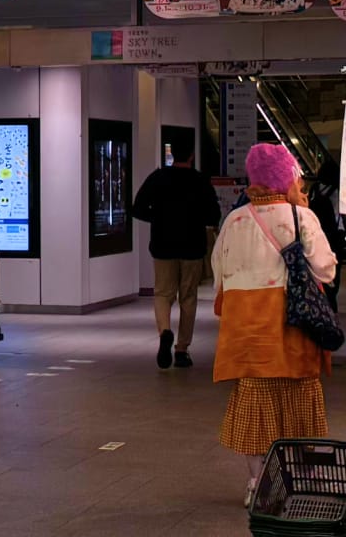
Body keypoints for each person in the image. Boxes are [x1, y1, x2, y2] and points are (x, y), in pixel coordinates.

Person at [213, 142, 336, 507]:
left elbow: (218, 274)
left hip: (247, 333)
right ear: (285, 178)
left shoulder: (234, 220)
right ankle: (300, 479)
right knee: (299, 409)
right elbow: (326, 270)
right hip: (293, 330)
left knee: (254, 413)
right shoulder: (300, 217)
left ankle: (257, 482)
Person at [131, 133, 221, 369]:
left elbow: (137, 208)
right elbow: (214, 215)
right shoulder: (200, 181)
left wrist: (159, 218)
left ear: (172, 154)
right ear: (191, 155)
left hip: (162, 244)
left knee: (162, 293)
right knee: (188, 297)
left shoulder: (158, 178)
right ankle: (182, 350)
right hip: (192, 246)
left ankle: (165, 332)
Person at [308, 158, 346, 311]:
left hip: (316, 235)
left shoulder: (314, 189)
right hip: (334, 239)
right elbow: (340, 217)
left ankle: (320, 302)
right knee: (333, 275)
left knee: (317, 272)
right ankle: (331, 306)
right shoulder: (337, 191)